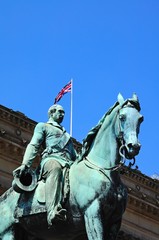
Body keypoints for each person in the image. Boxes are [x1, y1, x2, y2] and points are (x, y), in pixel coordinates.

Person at [13, 104, 77, 227]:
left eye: (63, 112)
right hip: (51, 159)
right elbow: (33, 145)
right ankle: (52, 211)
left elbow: (75, 156)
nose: (62, 115)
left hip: (68, 164)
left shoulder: (67, 136)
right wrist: (25, 164)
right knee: (55, 168)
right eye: (60, 112)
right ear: (51, 113)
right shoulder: (43, 126)